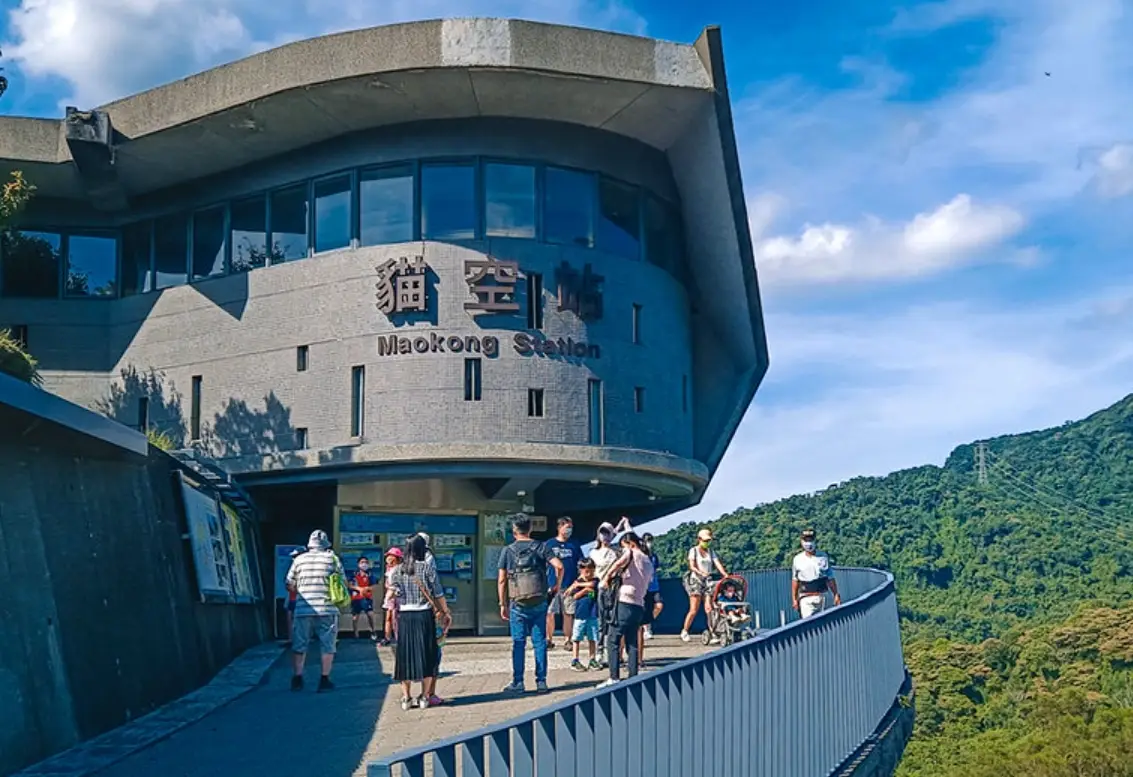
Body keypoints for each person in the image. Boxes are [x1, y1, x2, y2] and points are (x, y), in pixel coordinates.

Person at [497, 513, 565, 694]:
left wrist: (502, 604)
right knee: (540, 642)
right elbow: (559, 566)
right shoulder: (540, 547)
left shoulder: (508, 550)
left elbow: (502, 580)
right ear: (530, 529)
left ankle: (518, 682)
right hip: (539, 601)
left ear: (514, 530)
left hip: (517, 604)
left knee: (518, 643)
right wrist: (556, 587)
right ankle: (541, 682)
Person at [389, 535, 452, 710]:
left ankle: (406, 698)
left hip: (405, 616)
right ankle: (424, 697)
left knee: (405, 656)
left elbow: (393, 593)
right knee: (427, 655)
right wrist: (445, 612)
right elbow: (438, 593)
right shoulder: (426, 569)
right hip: (424, 615)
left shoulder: (397, 570)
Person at [285, 530, 345, 692]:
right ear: (326, 544)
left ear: (310, 544)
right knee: (327, 644)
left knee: (300, 643)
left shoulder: (299, 560)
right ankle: (324, 679)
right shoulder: (332, 559)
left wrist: (302, 590)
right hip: (327, 607)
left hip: (303, 608)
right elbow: (342, 582)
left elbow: (289, 583)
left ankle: (297, 678)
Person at [596, 531, 653, 688]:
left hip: (624, 602)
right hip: (639, 605)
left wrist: (606, 578)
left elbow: (619, 563)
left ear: (630, 544)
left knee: (613, 639)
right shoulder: (648, 560)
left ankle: (614, 677)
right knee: (632, 641)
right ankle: (633, 676)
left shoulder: (631, 552)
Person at [590, 517, 631, 666]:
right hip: (600, 589)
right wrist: (590, 594)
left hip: (616, 588)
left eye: (607, 533)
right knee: (601, 622)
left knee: (614, 621)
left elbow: (630, 541)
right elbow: (589, 574)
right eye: (602, 533)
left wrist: (623, 525)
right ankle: (600, 651)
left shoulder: (617, 551)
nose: (605, 536)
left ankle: (615, 652)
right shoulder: (593, 553)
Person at [681, 527, 728, 643]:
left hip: (708, 581)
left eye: (708, 541)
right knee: (694, 609)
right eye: (705, 541)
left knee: (709, 608)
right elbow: (691, 566)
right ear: (699, 539)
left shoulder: (711, 552)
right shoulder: (694, 550)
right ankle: (685, 630)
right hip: (696, 580)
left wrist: (725, 574)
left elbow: (717, 563)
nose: (707, 543)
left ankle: (713, 632)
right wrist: (700, 572)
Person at [545, 516, 584, 650]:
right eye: (567, 527)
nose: (569, 530)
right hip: (552, 585)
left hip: (569, 584)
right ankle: (548, 639)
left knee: (568, 613)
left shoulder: (574, 545)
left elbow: (581, 564)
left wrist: (578, 582)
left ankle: (568, 640)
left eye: (570, 528)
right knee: (550, 613)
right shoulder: (549, 544)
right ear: (559, 527)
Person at [791, 528, 841, 618]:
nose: (808, 543)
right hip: (806, 598)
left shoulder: (823, 556)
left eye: (811, 540)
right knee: (807, 624)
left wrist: (836, 594)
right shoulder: (797, 559)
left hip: (823, 596)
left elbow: (830, 577)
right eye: (806, 540)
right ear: (802, 541)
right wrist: (794, 599)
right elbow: (795, 580)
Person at [564, 558, 601, 671]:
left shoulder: (595, 580)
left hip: (592, 613)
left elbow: (593, 588)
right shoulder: (577, 581)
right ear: (580, 569)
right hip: (580, 614)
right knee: (577, 638)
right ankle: (575, 660)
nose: (587, 571)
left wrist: (579, 586)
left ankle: (592, 659)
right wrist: (584, 590)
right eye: (584, 568)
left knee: (592, 638)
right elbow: (574, 596)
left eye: (590, 568)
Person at [349, 555, 379, 641]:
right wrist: (358, 588)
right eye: (362, 562)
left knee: (370, 614)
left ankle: (373, 631)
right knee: (355, 617)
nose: (364, 564)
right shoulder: (354, 574)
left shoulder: (370, 574)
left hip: (366, 598)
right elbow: (350, 585)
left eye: (366, 562)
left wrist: (367, 588)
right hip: (356, 598)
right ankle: (356, 634)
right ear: (358, 564)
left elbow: (374, 585)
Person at [640, 532, 663, 643]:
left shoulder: (654, 556)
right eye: (647, 540)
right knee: (645, 608)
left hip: (654, 586)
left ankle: (648, 622)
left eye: (650, 540)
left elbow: (657, 567)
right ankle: (646, 628)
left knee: (659, 605)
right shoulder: (641, 556)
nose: (649, 543)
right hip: (644, 587)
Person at [381, 547, 403, 646]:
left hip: (397, 596)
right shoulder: (388, 568)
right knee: (388, 617)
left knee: (396, 618)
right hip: (389, 595)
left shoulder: (400, 569)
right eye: (388, 556)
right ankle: (387, 637)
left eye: (391, 556)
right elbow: (387, 583)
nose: (388, 558)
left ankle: (399, 638)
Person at [285, 546, 305, 640]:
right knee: (290, 616)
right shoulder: (294, 567)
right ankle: (291, 638)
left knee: (300, 619)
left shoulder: (303, 567)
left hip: (302, 598)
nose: (294, 558)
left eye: (296, 556)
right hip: (293, 596)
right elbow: (288, 583)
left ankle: (298, 638)